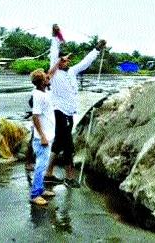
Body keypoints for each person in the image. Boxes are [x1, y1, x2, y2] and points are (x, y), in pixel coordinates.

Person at [45, 24, 106, 188]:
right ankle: (69, 177)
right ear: (58, 61)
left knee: (58, 143)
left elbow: (85, 62)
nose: (67, 61)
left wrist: (97, 50)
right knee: (68, 145)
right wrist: (54, 37)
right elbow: (53, 53)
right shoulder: (55, 72)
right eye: (63, 60)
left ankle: (48, 174)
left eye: (68, 60)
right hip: (60, 112)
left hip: (70, 113)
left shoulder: (71, 72)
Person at [29, 67, 59, 205]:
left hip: (48, 135)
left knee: (43, 164)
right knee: (41, 166)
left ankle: (40, 190)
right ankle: (35, 195)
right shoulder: (38, 95)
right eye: (46, 78)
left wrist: (59, 62)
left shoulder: (44, 91)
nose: (49, 78)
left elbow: (50, 74)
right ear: (42, 82)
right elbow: (35, 116)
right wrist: (42, 136)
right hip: (43, 137)